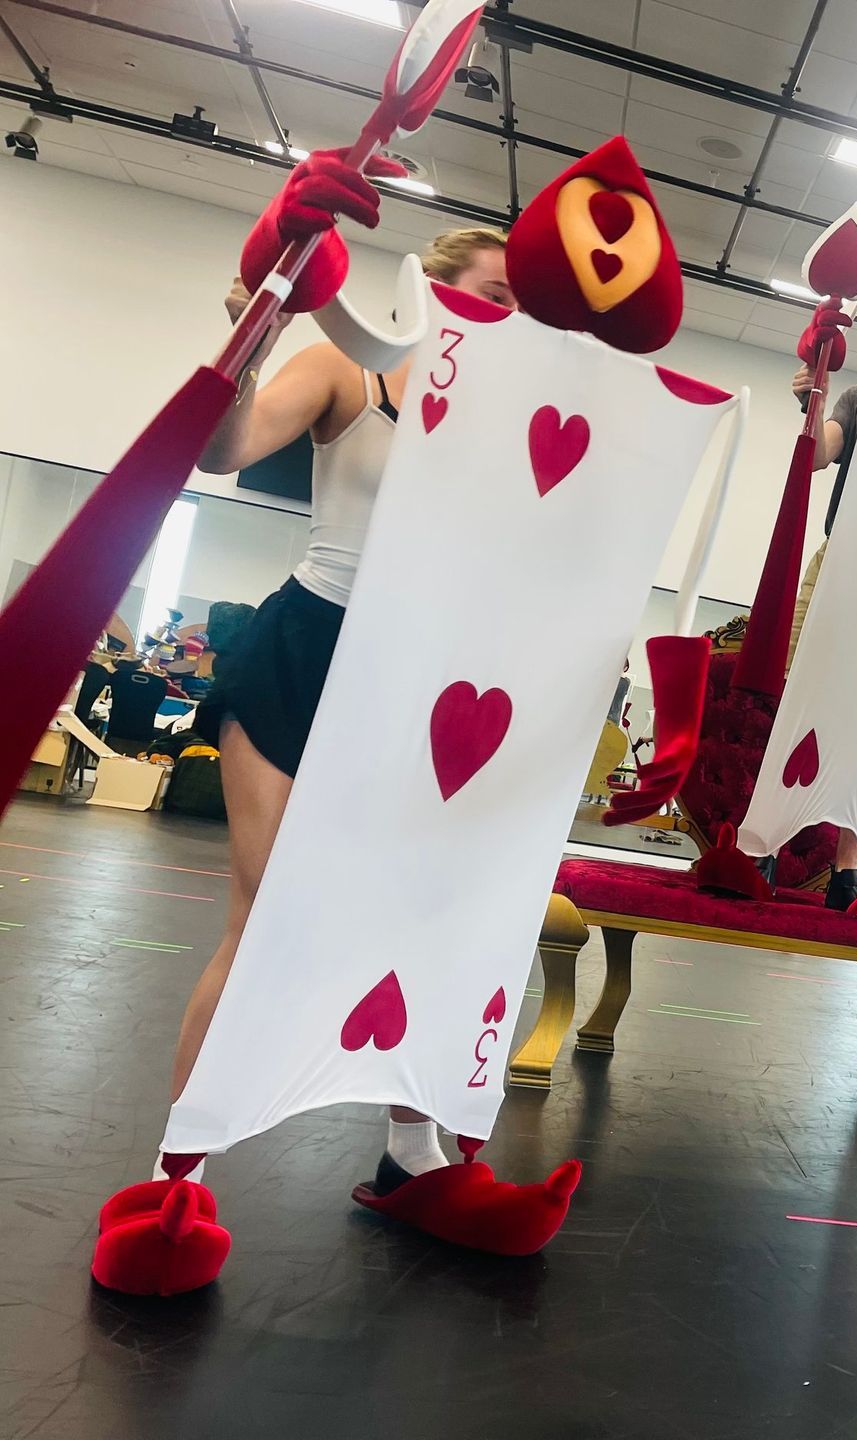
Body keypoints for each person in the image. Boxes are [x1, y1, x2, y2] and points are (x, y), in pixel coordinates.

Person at [166, 194, 515, 1191]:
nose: (510, 314)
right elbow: (219, 450)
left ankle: (413, 1151)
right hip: (303, 652)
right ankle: (175, 1175)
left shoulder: (505, 419)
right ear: (435, 289)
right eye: (495, 293)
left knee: (423, 923)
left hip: (414, 682)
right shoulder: (344, 368)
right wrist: (248, 339)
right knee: (264, 917)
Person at [787, 366, 857, 908]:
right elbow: (817, 455)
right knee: (788, 688)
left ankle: (846, 871)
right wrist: (812, 403)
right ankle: (764, 841)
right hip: (840, 552)